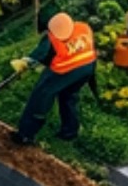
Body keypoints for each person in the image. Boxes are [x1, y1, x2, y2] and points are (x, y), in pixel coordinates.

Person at [10, 13, 97, 145]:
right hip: (87, 67)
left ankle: (25, 135)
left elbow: (40, 55)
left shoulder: (52, 39)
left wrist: (25, 62)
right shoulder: (83, 27)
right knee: (68, 96)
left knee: (40, 97)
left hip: (63, 71)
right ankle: (70, 131)